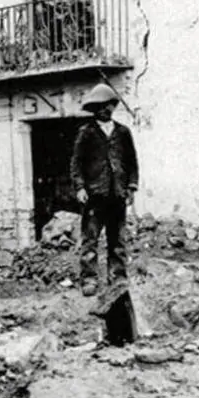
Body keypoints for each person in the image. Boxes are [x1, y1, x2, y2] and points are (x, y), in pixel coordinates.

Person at [69, 83, 138, 297]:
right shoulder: (86, 132)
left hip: (117, 195)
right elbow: (76, 163)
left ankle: (117, 277)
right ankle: (89, 279)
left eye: (107, 105)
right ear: (94, 109)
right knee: (90, 239)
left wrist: (131, 188)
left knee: (117, 240)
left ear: (113, 106)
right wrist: (80, 187)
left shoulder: (123, 132)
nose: (104, 110)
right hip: (94, 196)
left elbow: (132, 162)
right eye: (99, 106)